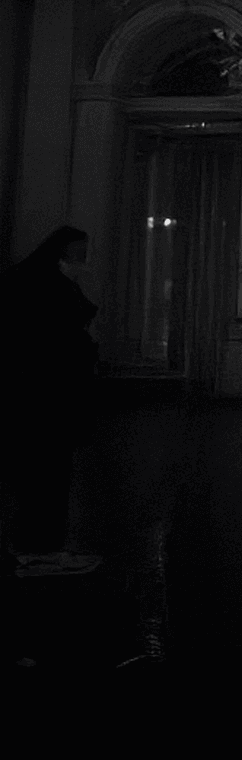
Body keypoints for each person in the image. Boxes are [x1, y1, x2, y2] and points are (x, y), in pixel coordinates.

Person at [0, 226, 104, 577]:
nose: (85, 259)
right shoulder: (50, 289)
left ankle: (35, 547)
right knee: (47, 474)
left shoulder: (34, 282)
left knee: (39, 474)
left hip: (39, 396)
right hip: (47, 397)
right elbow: (57, 342)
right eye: (80, 252)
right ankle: (40, 549)